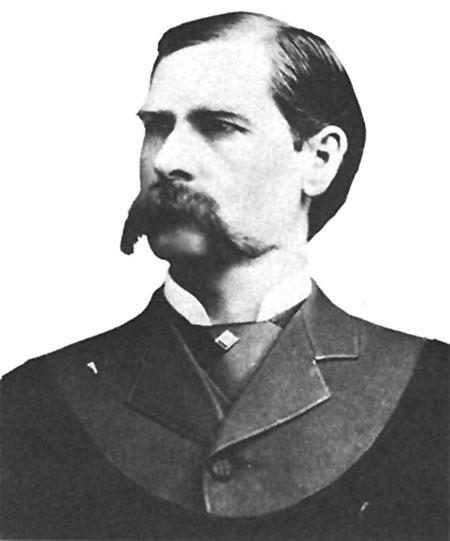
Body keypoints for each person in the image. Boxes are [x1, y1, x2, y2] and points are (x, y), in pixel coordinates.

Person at [1, 11, 448, 540]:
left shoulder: (434, 396)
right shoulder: (32, 404)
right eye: (157, 127)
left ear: (319, 159)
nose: (167, 160)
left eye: (219, 126)